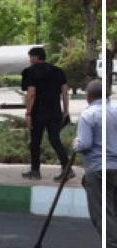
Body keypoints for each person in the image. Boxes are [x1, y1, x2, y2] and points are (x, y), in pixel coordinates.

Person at [71, 79, 117, 248]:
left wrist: (75, 144)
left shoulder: (89, 114)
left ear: (88, 97)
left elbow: (84, 144)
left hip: (99, 169)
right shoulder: (115, 110)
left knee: (103, 213)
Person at [21, 46, 71, 181]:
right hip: (55, 111)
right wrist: (66, 111)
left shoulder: (29, 72)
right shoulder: (58, 71)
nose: (30, 60)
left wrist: (28, 114)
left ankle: (35, 171)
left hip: (38, 112)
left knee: (35, 141)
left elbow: (31, 93)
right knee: (55, 139)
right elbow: (65, 92)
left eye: (30, 57)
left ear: (35, 57)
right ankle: (67, 168)